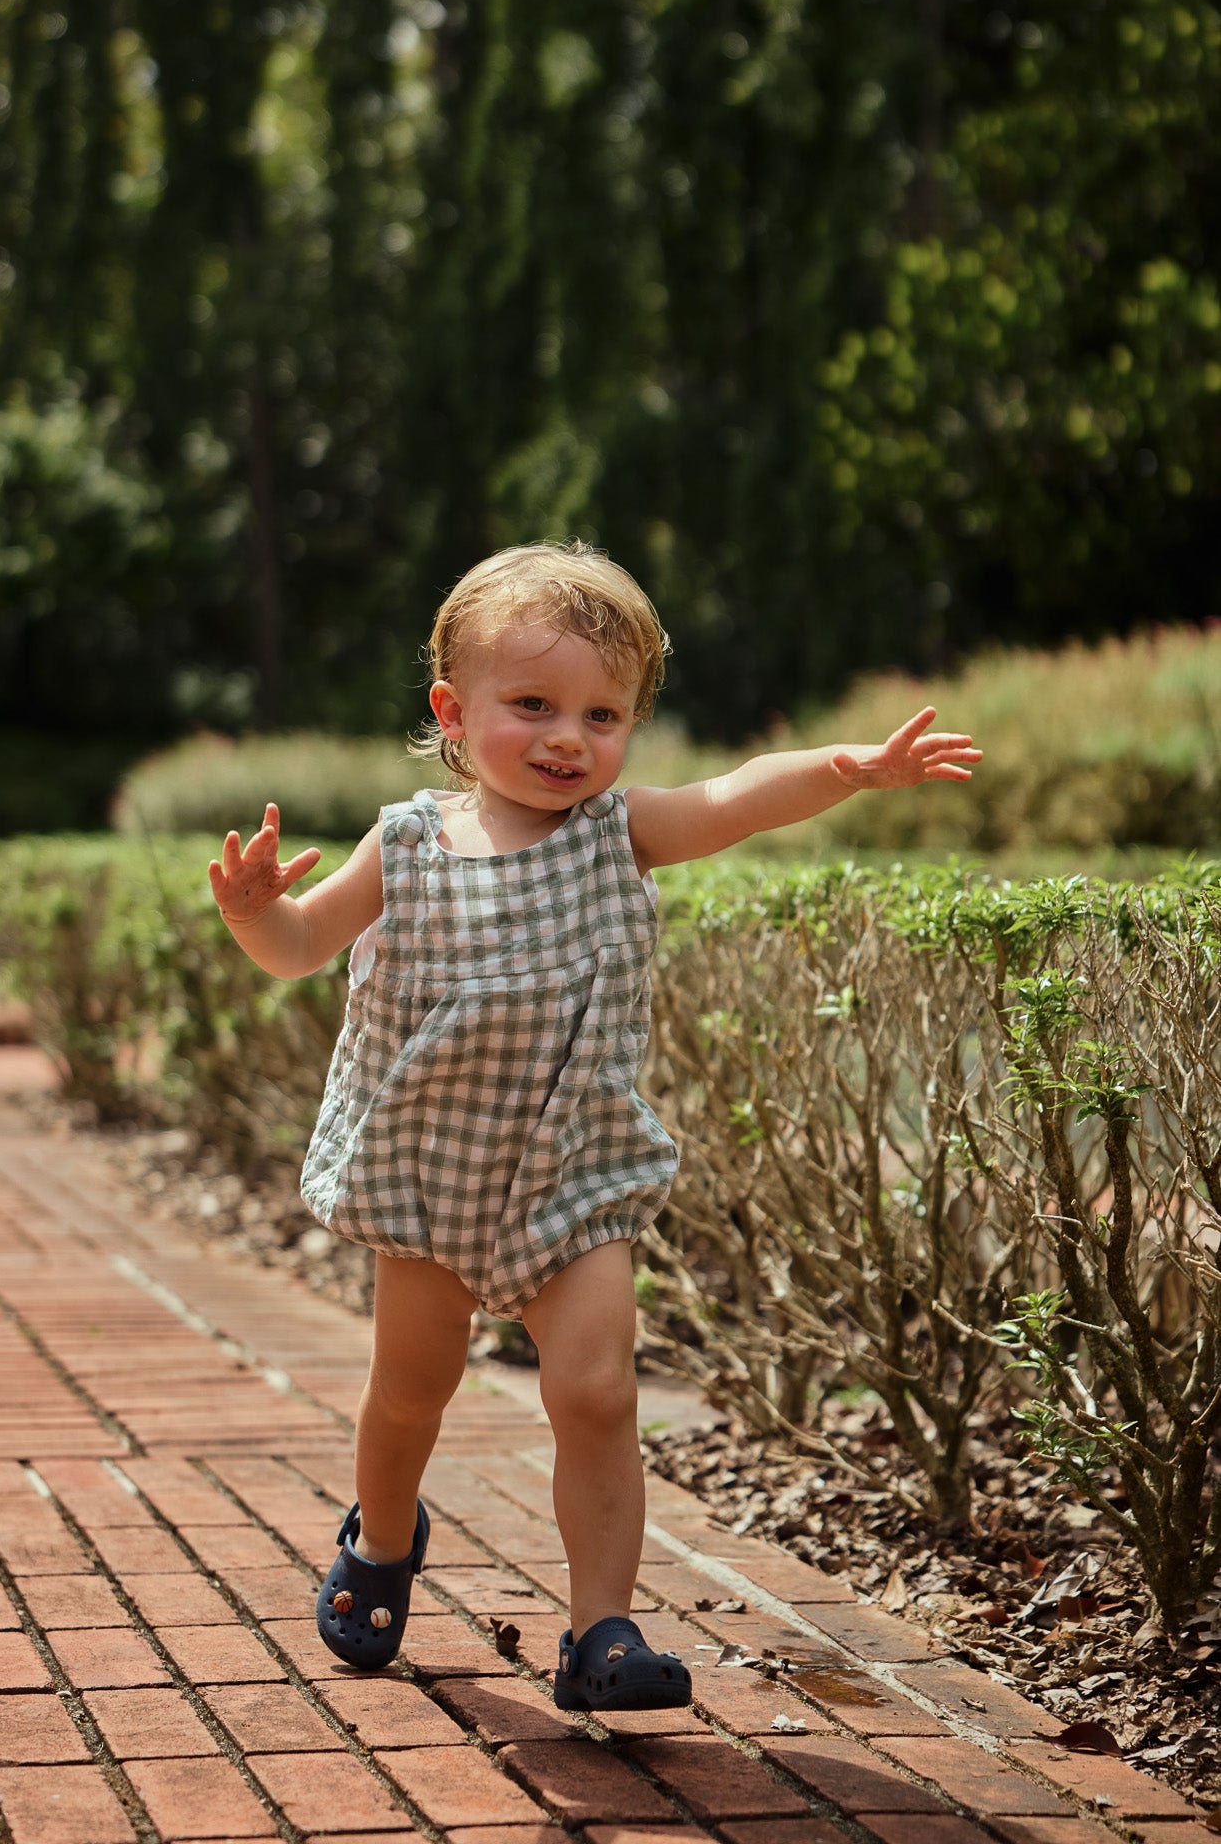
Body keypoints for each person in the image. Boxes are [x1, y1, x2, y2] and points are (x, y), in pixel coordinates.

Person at [208, 540, 981, 1711]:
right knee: (410, 1390)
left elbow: (734, 796)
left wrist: (849, 766)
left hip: (574, 1172)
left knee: (598, 1390)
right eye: (533, 704)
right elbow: (301, 947)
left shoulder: (616, 832)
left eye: (603, 712)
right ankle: (381, 1536)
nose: (570, 736)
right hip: (430, 1172)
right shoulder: (410, 843)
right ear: (452, 712)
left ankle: (599, 1628)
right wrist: (256, 911)